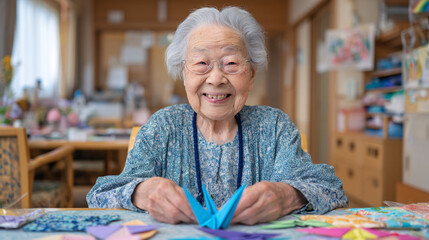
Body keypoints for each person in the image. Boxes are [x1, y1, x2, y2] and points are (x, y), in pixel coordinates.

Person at [87, 6, 348, 225]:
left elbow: (331, 189)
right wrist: (142, 192)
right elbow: (100, 194)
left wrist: (287, 195)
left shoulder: (274, 128)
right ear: (184, 72)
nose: (215, 78)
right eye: (201, 64)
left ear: (252, 74)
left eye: (231, 64)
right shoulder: (162, 127)